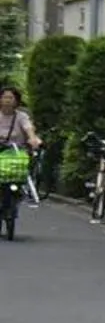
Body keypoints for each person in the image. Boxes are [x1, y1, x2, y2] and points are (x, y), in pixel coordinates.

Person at [0, 84, 38, 242]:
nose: (7, 101)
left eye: (11, 98)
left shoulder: (21, 116)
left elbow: (29, 129)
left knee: (23, 172)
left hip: (17, 153)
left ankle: (23, 194)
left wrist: (33, 139)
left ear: (16, 101)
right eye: (4, 97)